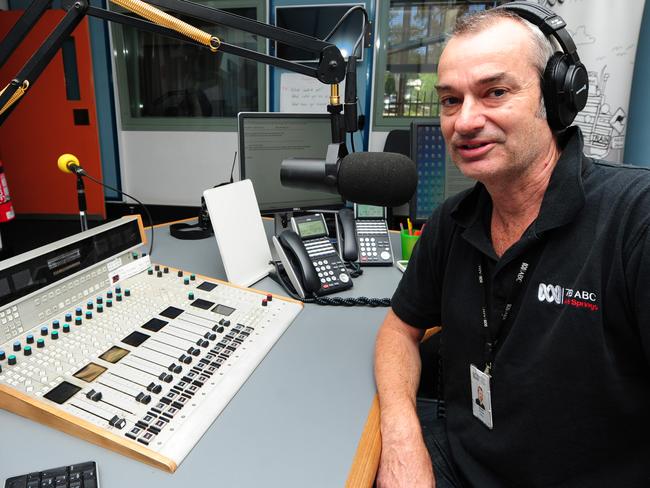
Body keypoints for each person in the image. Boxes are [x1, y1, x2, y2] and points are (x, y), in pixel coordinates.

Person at [374, 7, 650, 488]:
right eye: (450, 101)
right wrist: (401, 437)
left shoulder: (636, 219)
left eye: (494, 92)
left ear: (557, 99)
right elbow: (398, 331)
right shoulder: (451, 221)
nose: (465, 122)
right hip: (458, 463)